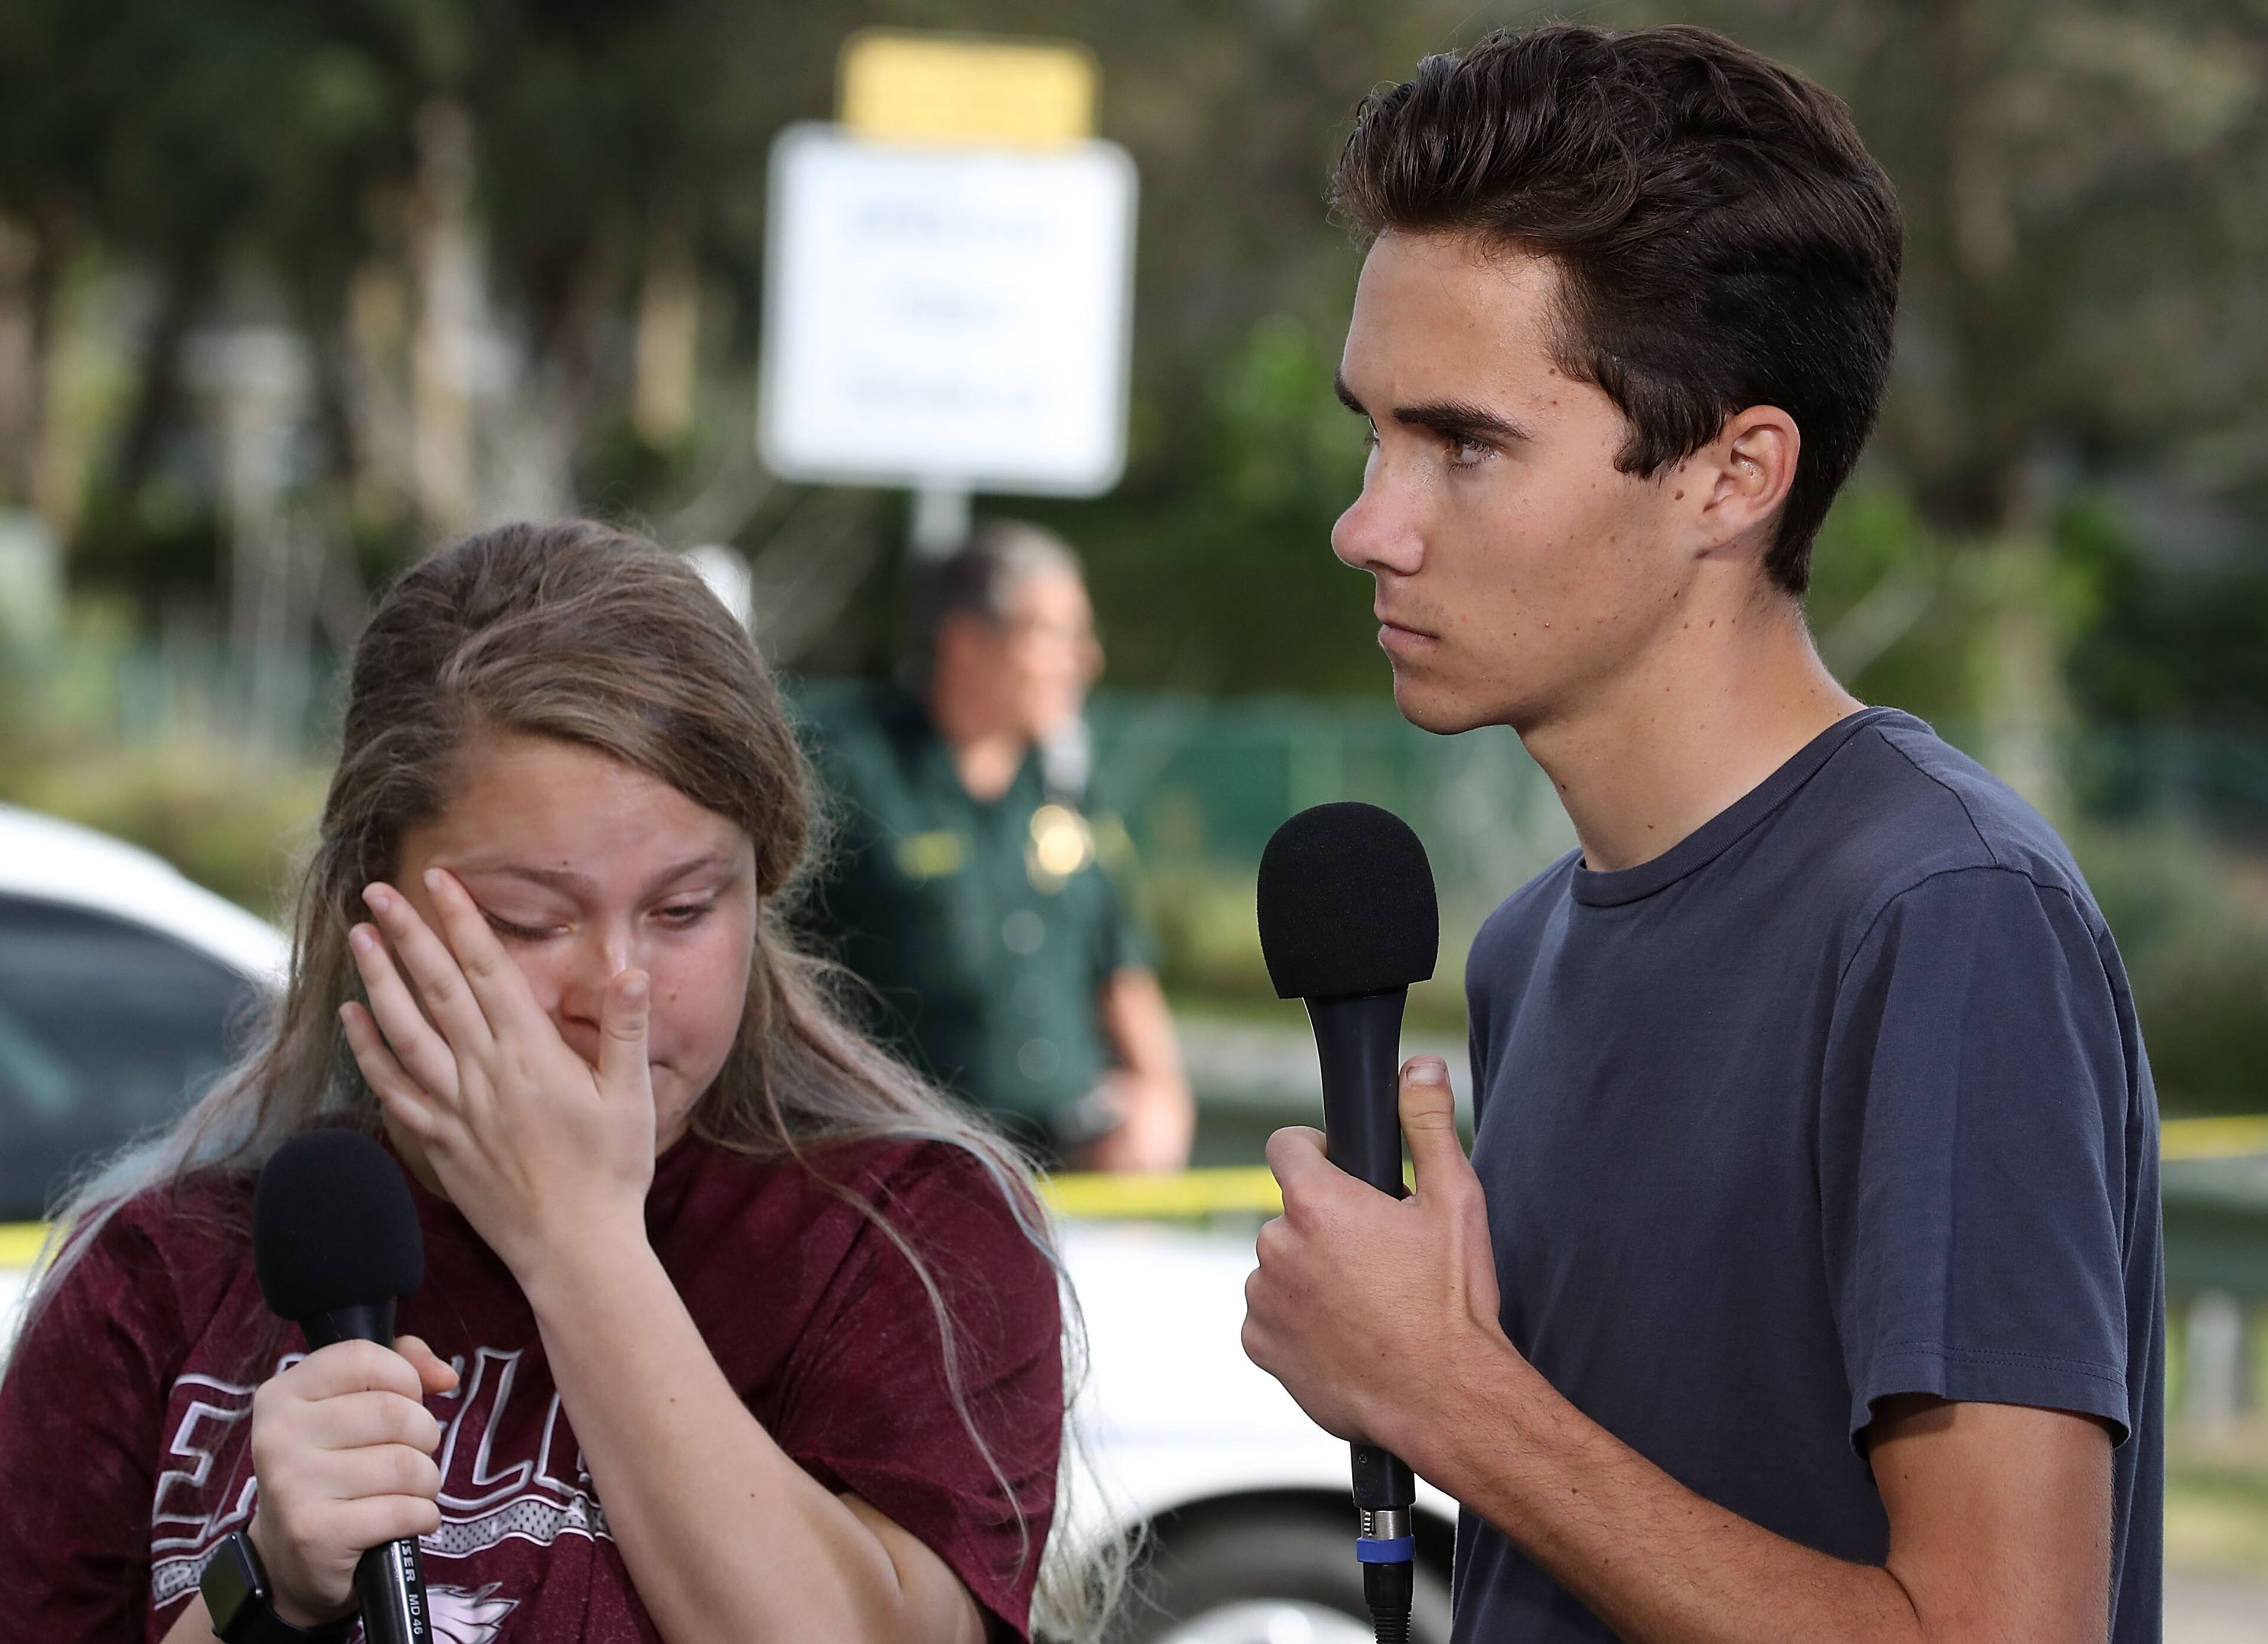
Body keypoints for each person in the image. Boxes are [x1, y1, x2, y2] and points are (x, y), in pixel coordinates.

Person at [1240, 25, 2161, 1644]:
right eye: (1372, 432)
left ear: (1736, 474)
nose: (1366, 522)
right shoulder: (1534, 944)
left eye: (1464, 442)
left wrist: (1456, 1401)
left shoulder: (1945, 915)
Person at [0, 522, 1069, 1643]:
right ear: (371, 902)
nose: (620, 989)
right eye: (529, 921)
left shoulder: (900, 1232)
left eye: (686, 908)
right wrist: (259, 1586)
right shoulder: (162, 1270)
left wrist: (577, 1238)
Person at [800, 520, 1194, 1173]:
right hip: (896, 1164)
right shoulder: (845, 767)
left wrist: (1161, 1099)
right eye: (1055, 635)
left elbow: (1119, 961)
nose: (1085, 659)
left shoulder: (1062, 784)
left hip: (1070, 1166)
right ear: (965, 641)